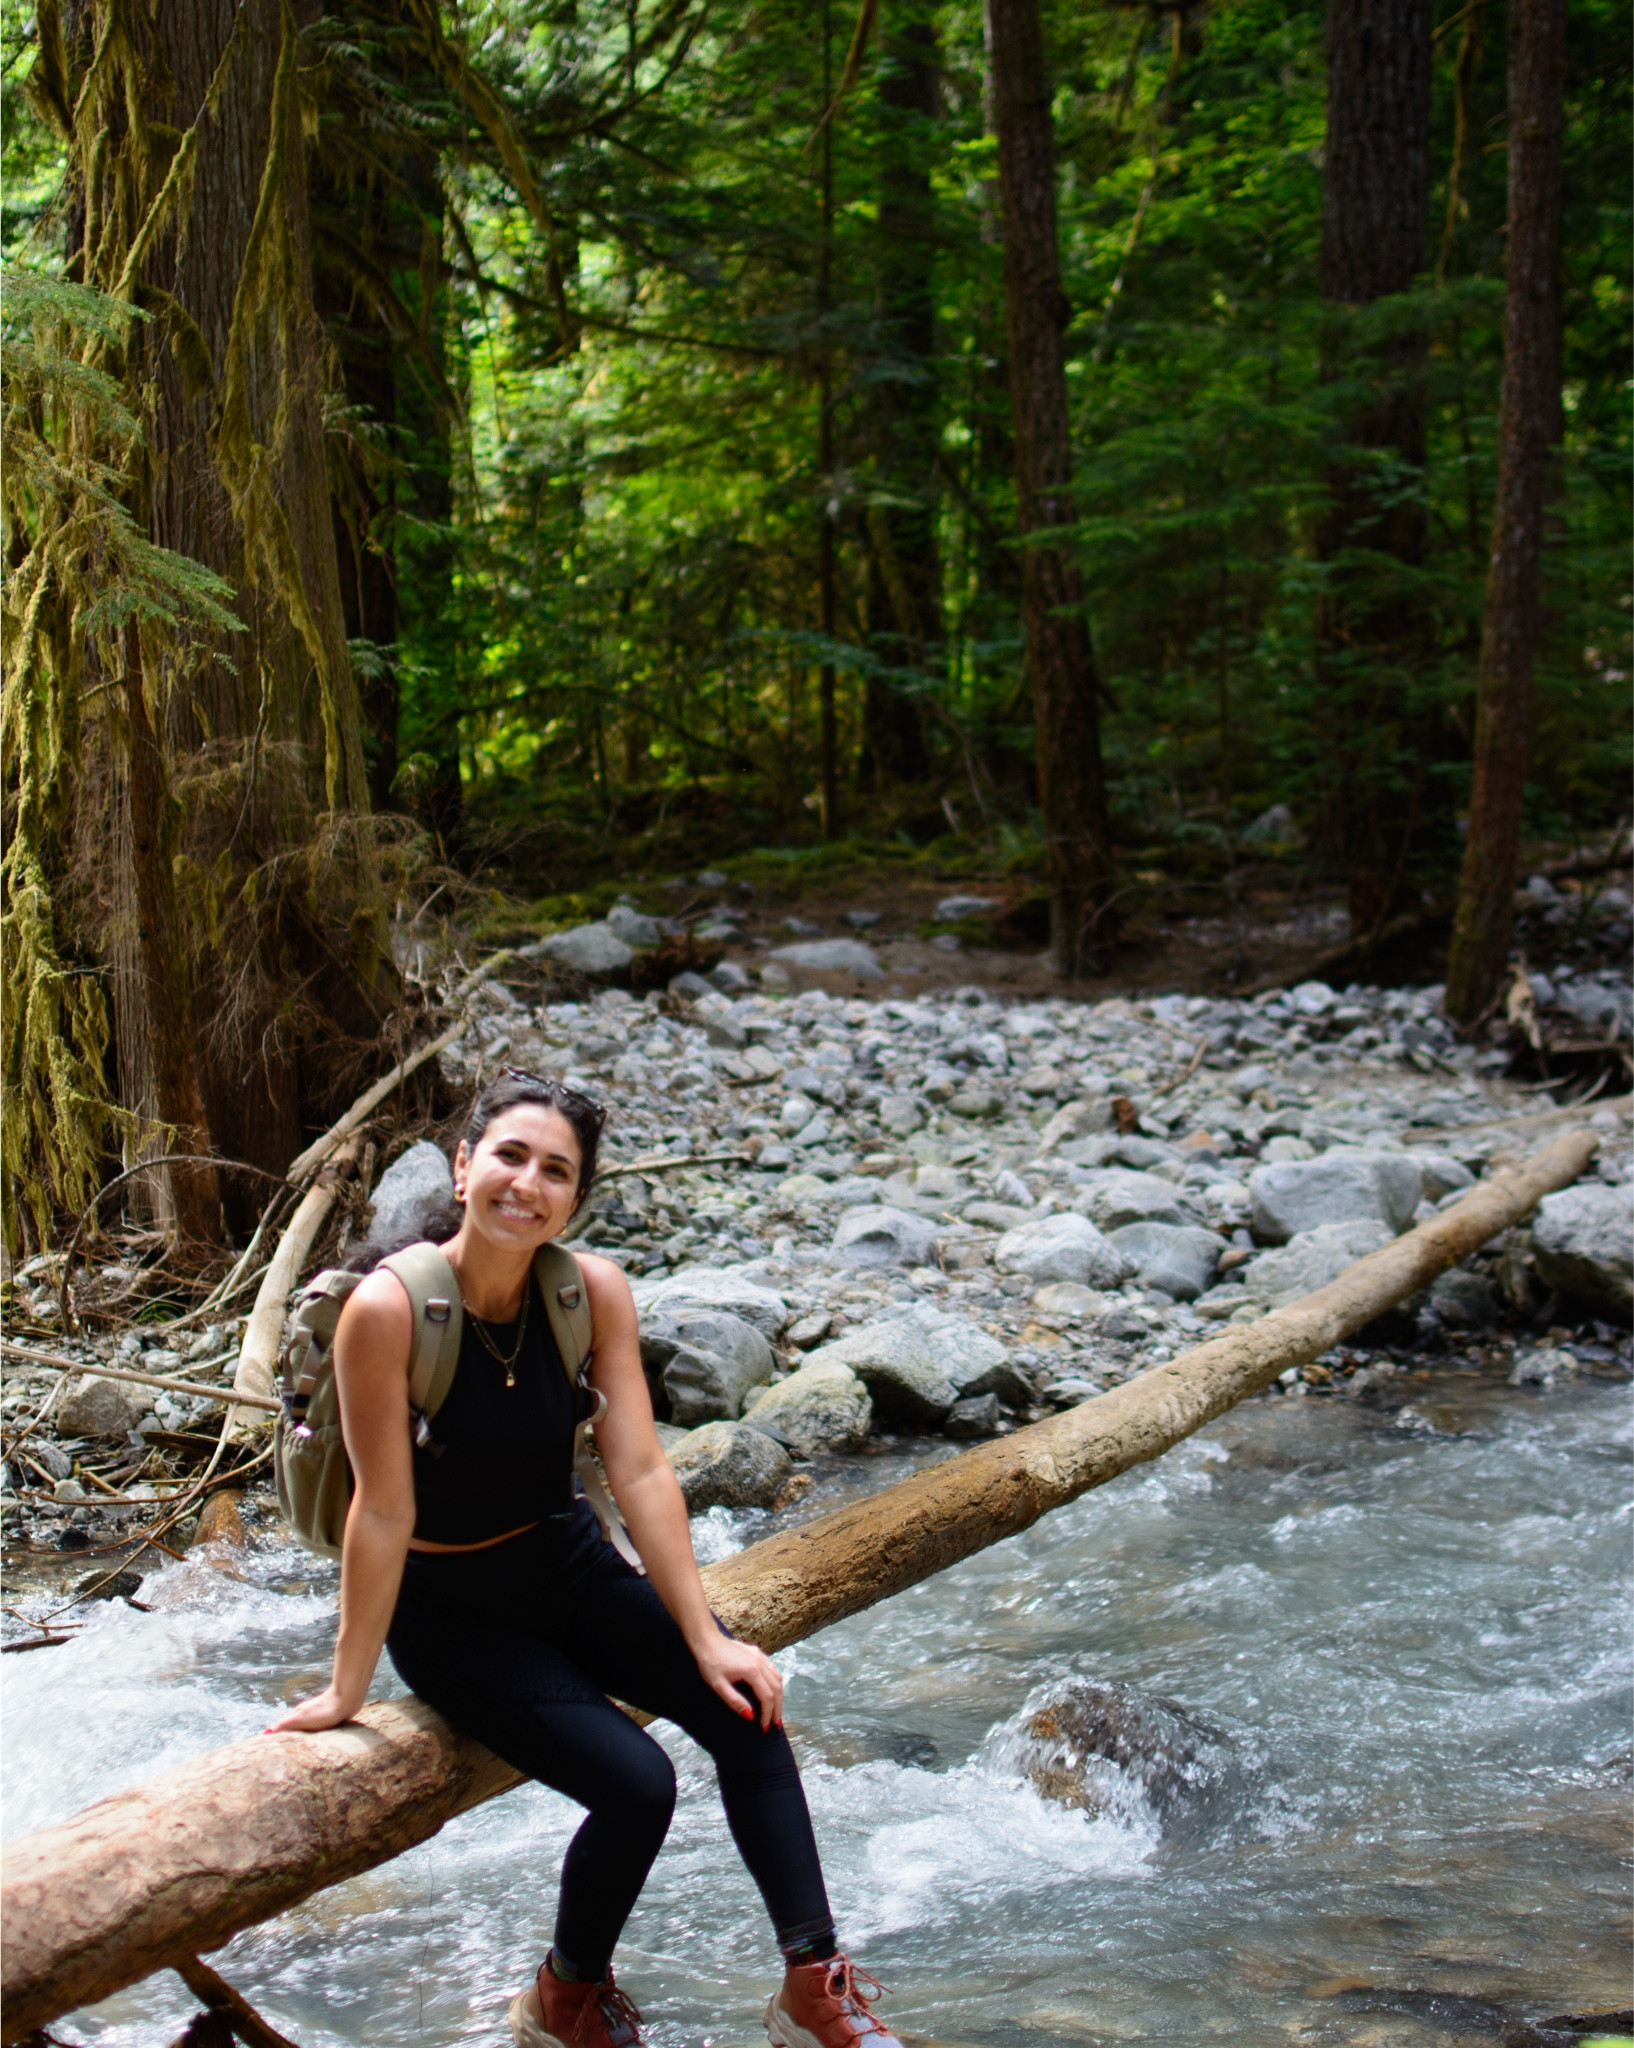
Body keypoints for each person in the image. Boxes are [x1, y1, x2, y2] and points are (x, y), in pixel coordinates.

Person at [269, 1070, 900, 2048]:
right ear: (464, 1166)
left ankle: (813, 1986)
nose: (527, 1184)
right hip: (452, 1611)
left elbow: (639, 1469)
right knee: (638, 1784)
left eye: (555, 1170)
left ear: (575, 1196)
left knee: (749, 1709)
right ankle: (564, 1997)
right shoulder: (387, 1311)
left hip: (565, 1566)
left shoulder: (587, 1292)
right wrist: (346, 1687)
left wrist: (707, 1637)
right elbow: (382, 1512)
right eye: (510, 1156)